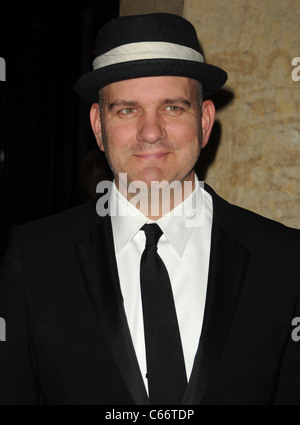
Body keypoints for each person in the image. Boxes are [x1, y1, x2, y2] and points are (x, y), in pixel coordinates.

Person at [0, 13, 299, 406]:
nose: (151, 131)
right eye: (127, 110)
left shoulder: (284, 259)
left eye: (173, 108)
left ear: (205, 121)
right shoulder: (32, 258)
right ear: (98, 126)